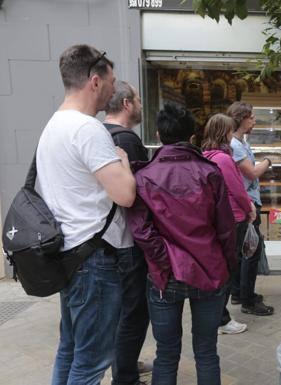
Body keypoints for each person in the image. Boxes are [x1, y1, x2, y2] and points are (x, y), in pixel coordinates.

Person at [36, 44, 136, 385]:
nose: (113, 88)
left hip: (69, 255)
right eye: (112, 80)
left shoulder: (53, 125)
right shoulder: (87, 130)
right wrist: (123, 161)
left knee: (71, 349)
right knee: (92, 362)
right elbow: (125, 194)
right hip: (94, 261)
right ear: (95, 81)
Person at [127, 102, 236, 385]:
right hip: (209, 271)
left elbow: (142, 232)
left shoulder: (143, 176)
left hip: (165, 276)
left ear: (159, 135)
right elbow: (226, 229)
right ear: (192, 137)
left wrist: (163, 260)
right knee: (206, 351)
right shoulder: (209, 172)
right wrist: (227, 269)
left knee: (167, 353)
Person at [103, 81, 151, 385]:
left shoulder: (98, 134)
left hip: (104, 239)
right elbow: (140, 195)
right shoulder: (127, 140)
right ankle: (126, 376)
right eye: (138, 100)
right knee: (135, 312)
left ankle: (126, 364)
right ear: (126, 104)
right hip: (127, 239)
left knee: (121, 311)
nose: (141, 106)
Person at [202, 113, 256, 334]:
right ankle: (221, 320)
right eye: (230, 130)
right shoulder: (223, 159)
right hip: (233, 218)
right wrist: (249, 208)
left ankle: (216, 315)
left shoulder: (205, 154)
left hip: (217, 218)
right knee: (228, 269)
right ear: (224, 132)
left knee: (220, 268)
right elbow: (237, 189)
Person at [227, 102, 274, 316]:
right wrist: (268, 161)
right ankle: (247, 300)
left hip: (247, 203)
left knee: (242, 252)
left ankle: (239, 292)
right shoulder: (235, 146)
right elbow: (252, 173)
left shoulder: (239, 142)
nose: (254, 121)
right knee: (251, 252)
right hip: (246, 207)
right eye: (251, 117)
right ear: (241, 118)